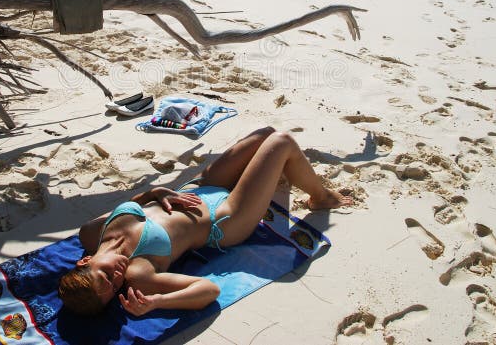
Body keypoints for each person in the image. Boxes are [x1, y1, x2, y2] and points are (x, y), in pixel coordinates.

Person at [58, 127, 353, 317]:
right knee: (283, 142)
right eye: (114, 287)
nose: (117, 278)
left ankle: (264, 177)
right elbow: (209, 291)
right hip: (224, 218)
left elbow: (133, 205)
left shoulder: (90, 233)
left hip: (198, 189)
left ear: (85, 262)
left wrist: (153, 192)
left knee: (266, 134)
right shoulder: (139, 274)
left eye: (106, 275)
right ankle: (321, 197)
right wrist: (157, 302)